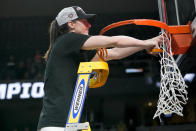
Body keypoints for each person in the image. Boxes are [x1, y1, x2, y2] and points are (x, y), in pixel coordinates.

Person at [37, 6, 162, 131]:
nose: (89, 25)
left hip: (69, 124)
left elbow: (115, 53)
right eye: (84, 21)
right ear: (71, 24)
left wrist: (148, 42)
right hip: (58, 124)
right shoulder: (67, 39)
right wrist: (145, 43)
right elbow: (115, 41)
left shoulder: (73, 50)